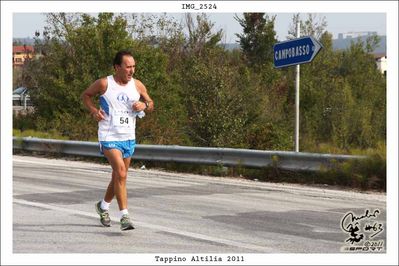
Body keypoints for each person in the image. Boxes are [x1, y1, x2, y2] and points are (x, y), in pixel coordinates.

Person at [81, 50, 154, 230]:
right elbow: (86, 96)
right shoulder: (105, 83)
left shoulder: (137, 85)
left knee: (119, 177)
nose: (131, 71)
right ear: (117, 67)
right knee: (120, 173)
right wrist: (93, 111)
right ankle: (125, 217)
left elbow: (151, 104)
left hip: (128, 137)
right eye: (128, 67)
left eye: (133, 67)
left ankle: (103, 206)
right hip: (109, 136)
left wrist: (144, 105)